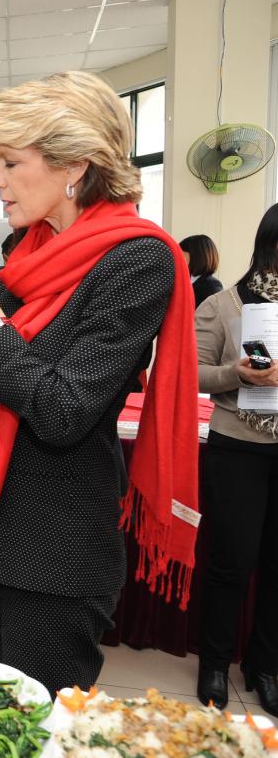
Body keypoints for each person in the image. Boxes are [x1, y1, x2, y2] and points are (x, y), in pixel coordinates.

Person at [0, 71, 198, 693]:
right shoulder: (34, 249)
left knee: (43, 725)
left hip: (57, 547)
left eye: (8, 162)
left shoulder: (136, 260)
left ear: (74, 166)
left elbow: (64, 408)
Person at [194, 204, 278, 714]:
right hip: (239, 446)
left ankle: (264, 665)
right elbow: (193, 373)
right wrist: (237, 374)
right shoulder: (225, 304)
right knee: (231, 563)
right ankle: (215, 663)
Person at [180, 234, 223, 309]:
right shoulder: (185, 281)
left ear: (196, 256)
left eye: (181, 255)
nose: (178, 259)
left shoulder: (212, 286)